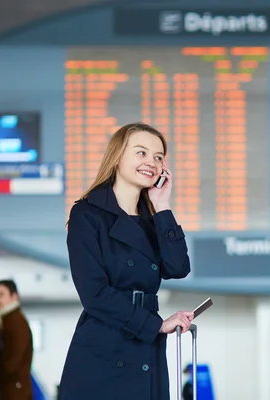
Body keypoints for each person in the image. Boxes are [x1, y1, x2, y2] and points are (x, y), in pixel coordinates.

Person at [58, 122, 194, 400]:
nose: (152, 163)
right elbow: (94, 294)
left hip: (146, 346)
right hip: (104, 345)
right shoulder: (87, 214)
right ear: (118, 156)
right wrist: (154, 325)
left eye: (158, 157)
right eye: (141, 153)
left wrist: (163, 206)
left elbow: (178, 268)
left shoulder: (152, 217)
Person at [0, 280, 33, 400]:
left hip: (14, 391)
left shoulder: (15, 322)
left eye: (1, 295)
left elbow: (13, 361)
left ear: (14, 296)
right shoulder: (4, 321)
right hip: (10, 389)